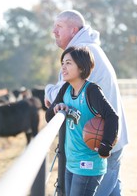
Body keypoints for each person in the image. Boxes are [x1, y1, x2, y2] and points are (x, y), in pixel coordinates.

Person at [45, 10, 129, 195]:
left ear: (74, 30)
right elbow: (58, 102)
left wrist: (47, 90)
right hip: (105, 141)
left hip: (99, 145)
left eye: (59, 26)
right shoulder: (90, 49)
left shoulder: (79, 54)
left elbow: (57, 93)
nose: (54, 31)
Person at [46, 46, 119, 196]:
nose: (63, 68)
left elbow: (112, 116)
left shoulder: (91, 91)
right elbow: (48, 117)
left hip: (88, 164)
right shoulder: (66, 89)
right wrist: (57, 109)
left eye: (68, 63)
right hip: (71, 162)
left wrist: (106, 145)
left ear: (81, 67)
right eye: (62, 63)